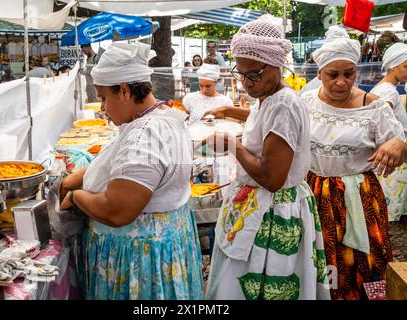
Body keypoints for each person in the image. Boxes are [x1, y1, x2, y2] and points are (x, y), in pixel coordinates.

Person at [59, 42, 203, 300]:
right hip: (164, 247)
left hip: (139, 259)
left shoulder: (145, 135)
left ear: (124, 91)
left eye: (103, 98)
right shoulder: (163, 116)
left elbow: (118, 211)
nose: (102, 108)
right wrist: (82, 176)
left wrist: (75, 197)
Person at [202, 15, 329, 300]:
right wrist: (230, 111)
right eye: (241, 73)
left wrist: (230, 144)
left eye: (254, 75)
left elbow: (272, 178)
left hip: (273, 212)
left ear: (276, 65)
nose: (247, 82)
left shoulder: (283, 104)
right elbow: (265, 124)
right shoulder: (270, 98)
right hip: (264, 206)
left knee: (265, 285)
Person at [301, 25, 406, 300]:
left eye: (349, 74)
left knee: (365, 260)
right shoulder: (306, 102)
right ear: (319, 73)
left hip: (360, 197)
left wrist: (399, 144)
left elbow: (399, 150)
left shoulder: (374, 107)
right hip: (314, 193)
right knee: (320, 260)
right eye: (332, 75)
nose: (341, 82)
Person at [370, 43, 407, 223]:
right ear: (393, 66)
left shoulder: (381, 87)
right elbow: (381, 117)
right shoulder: (388, 91)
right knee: (389, 208)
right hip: (394, 155)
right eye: (405, 66)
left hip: (391, 153)